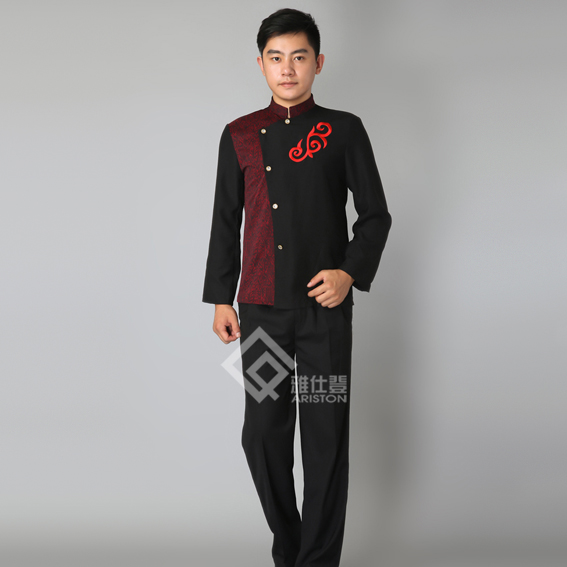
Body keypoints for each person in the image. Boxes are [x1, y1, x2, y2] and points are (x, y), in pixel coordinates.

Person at [202, 8, 392, 567]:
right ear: (261, 64)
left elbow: (375, 215)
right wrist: (221, 298)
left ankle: (317, 562)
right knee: (262, 436)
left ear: (318, 63)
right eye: (276, 58)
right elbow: (225, 221)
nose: (288, 69)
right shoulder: (239, 135)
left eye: (299, 57)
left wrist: (348, 272)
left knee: (325, 440)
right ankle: (292, 551)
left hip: (322, 317)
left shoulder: (344, 129)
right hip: (261, 314)